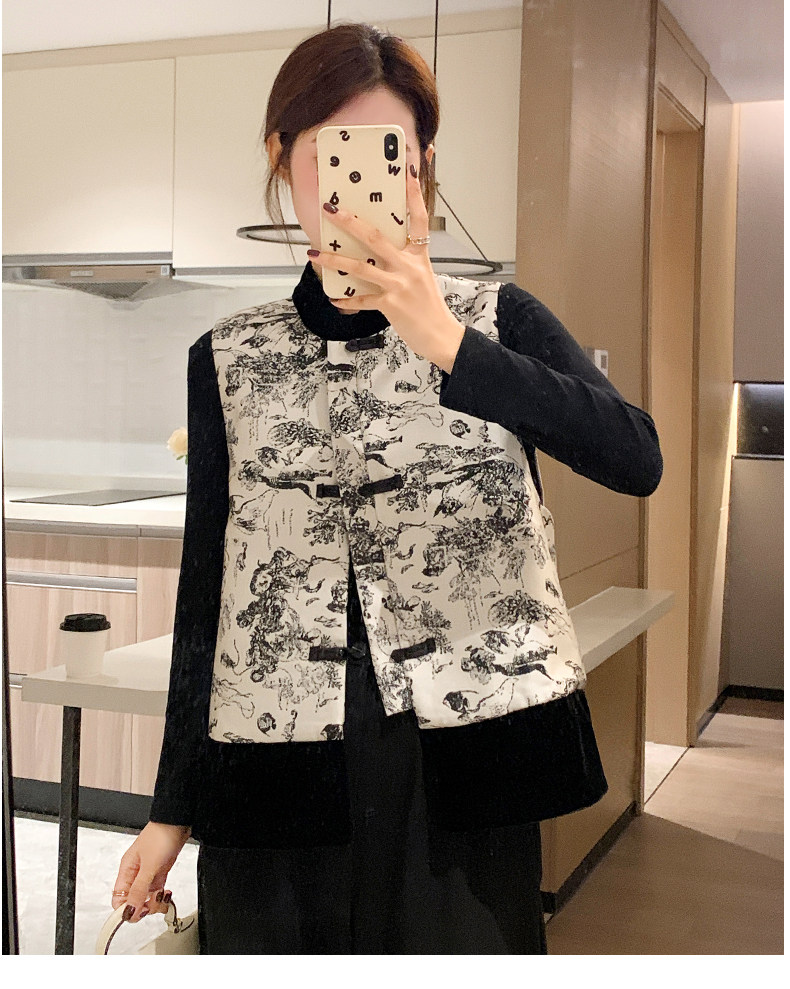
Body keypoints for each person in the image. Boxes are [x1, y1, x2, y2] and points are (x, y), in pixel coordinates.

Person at [111, 22, 663, 953]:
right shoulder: (228, 358)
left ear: (419, 168)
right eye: (326, 152)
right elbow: (206, 588)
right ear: (284, 162)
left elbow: (635, 457)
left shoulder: (498, 322)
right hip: (275, 773)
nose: (350, 184)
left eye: (382, 151)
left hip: (464, 773)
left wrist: (448, 343)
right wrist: (173, 807)